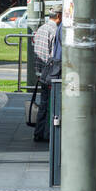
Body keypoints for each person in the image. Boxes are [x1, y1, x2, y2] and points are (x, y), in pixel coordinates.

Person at [32, 7, 61, 143]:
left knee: (44, 103)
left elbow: (39, 53)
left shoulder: (42, 29)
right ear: (59, 16)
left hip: (43, 73)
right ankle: (47, 133)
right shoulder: (55, 31)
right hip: (51, 73)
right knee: (50, 104)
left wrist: (39, 72)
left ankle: (39, 132)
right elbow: (51, 55)